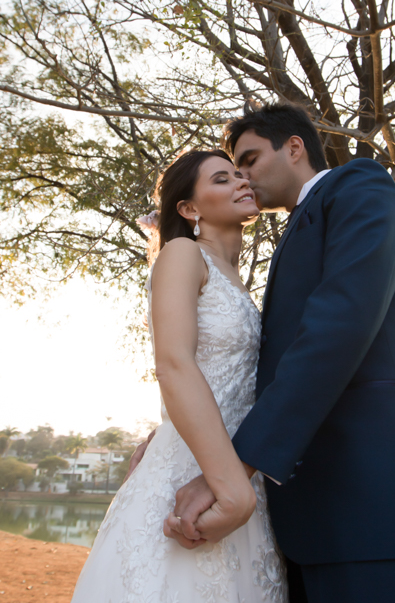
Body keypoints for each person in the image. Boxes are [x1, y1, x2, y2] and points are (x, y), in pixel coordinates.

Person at [162, 104, 395, 603]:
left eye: (249, 161)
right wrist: (174, 431)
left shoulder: (360, 185)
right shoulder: (287, 235)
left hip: (375, 503)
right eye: (232, 171)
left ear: (294, 147)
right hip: (302, 521)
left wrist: (234, 469)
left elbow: (337, 327)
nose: (243, 178)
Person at [70, 148, 288, 603]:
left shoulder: (238, 280)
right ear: (188, 209)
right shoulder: (183, 253)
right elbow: (173, 363)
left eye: (240, 175)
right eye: (222, 179)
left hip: (241, 466)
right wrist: (231, 489)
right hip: (197, 472)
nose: (241, 182)